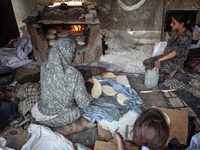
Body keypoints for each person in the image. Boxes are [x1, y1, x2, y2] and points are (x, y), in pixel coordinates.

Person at [31, 38, 93, 127]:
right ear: (71, 54)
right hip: (60, 118)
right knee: (79, 109)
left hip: (41, 114)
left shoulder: (44, 66)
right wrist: (89, 85)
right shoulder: (74, 75)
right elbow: (84, 104)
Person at [143, 12, 193, 78]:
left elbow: (176, 52)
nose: (171, 24)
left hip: (176, 60)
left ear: (182, 24)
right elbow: (168, 45)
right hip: (168, 56)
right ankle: (167, 67)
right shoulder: (174, 31)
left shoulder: (187, 36)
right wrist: (162, 59)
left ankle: (175, 69)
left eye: (174, 23)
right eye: (171, 22)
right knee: (146, 62)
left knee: (151, 68)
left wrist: (160, 60)